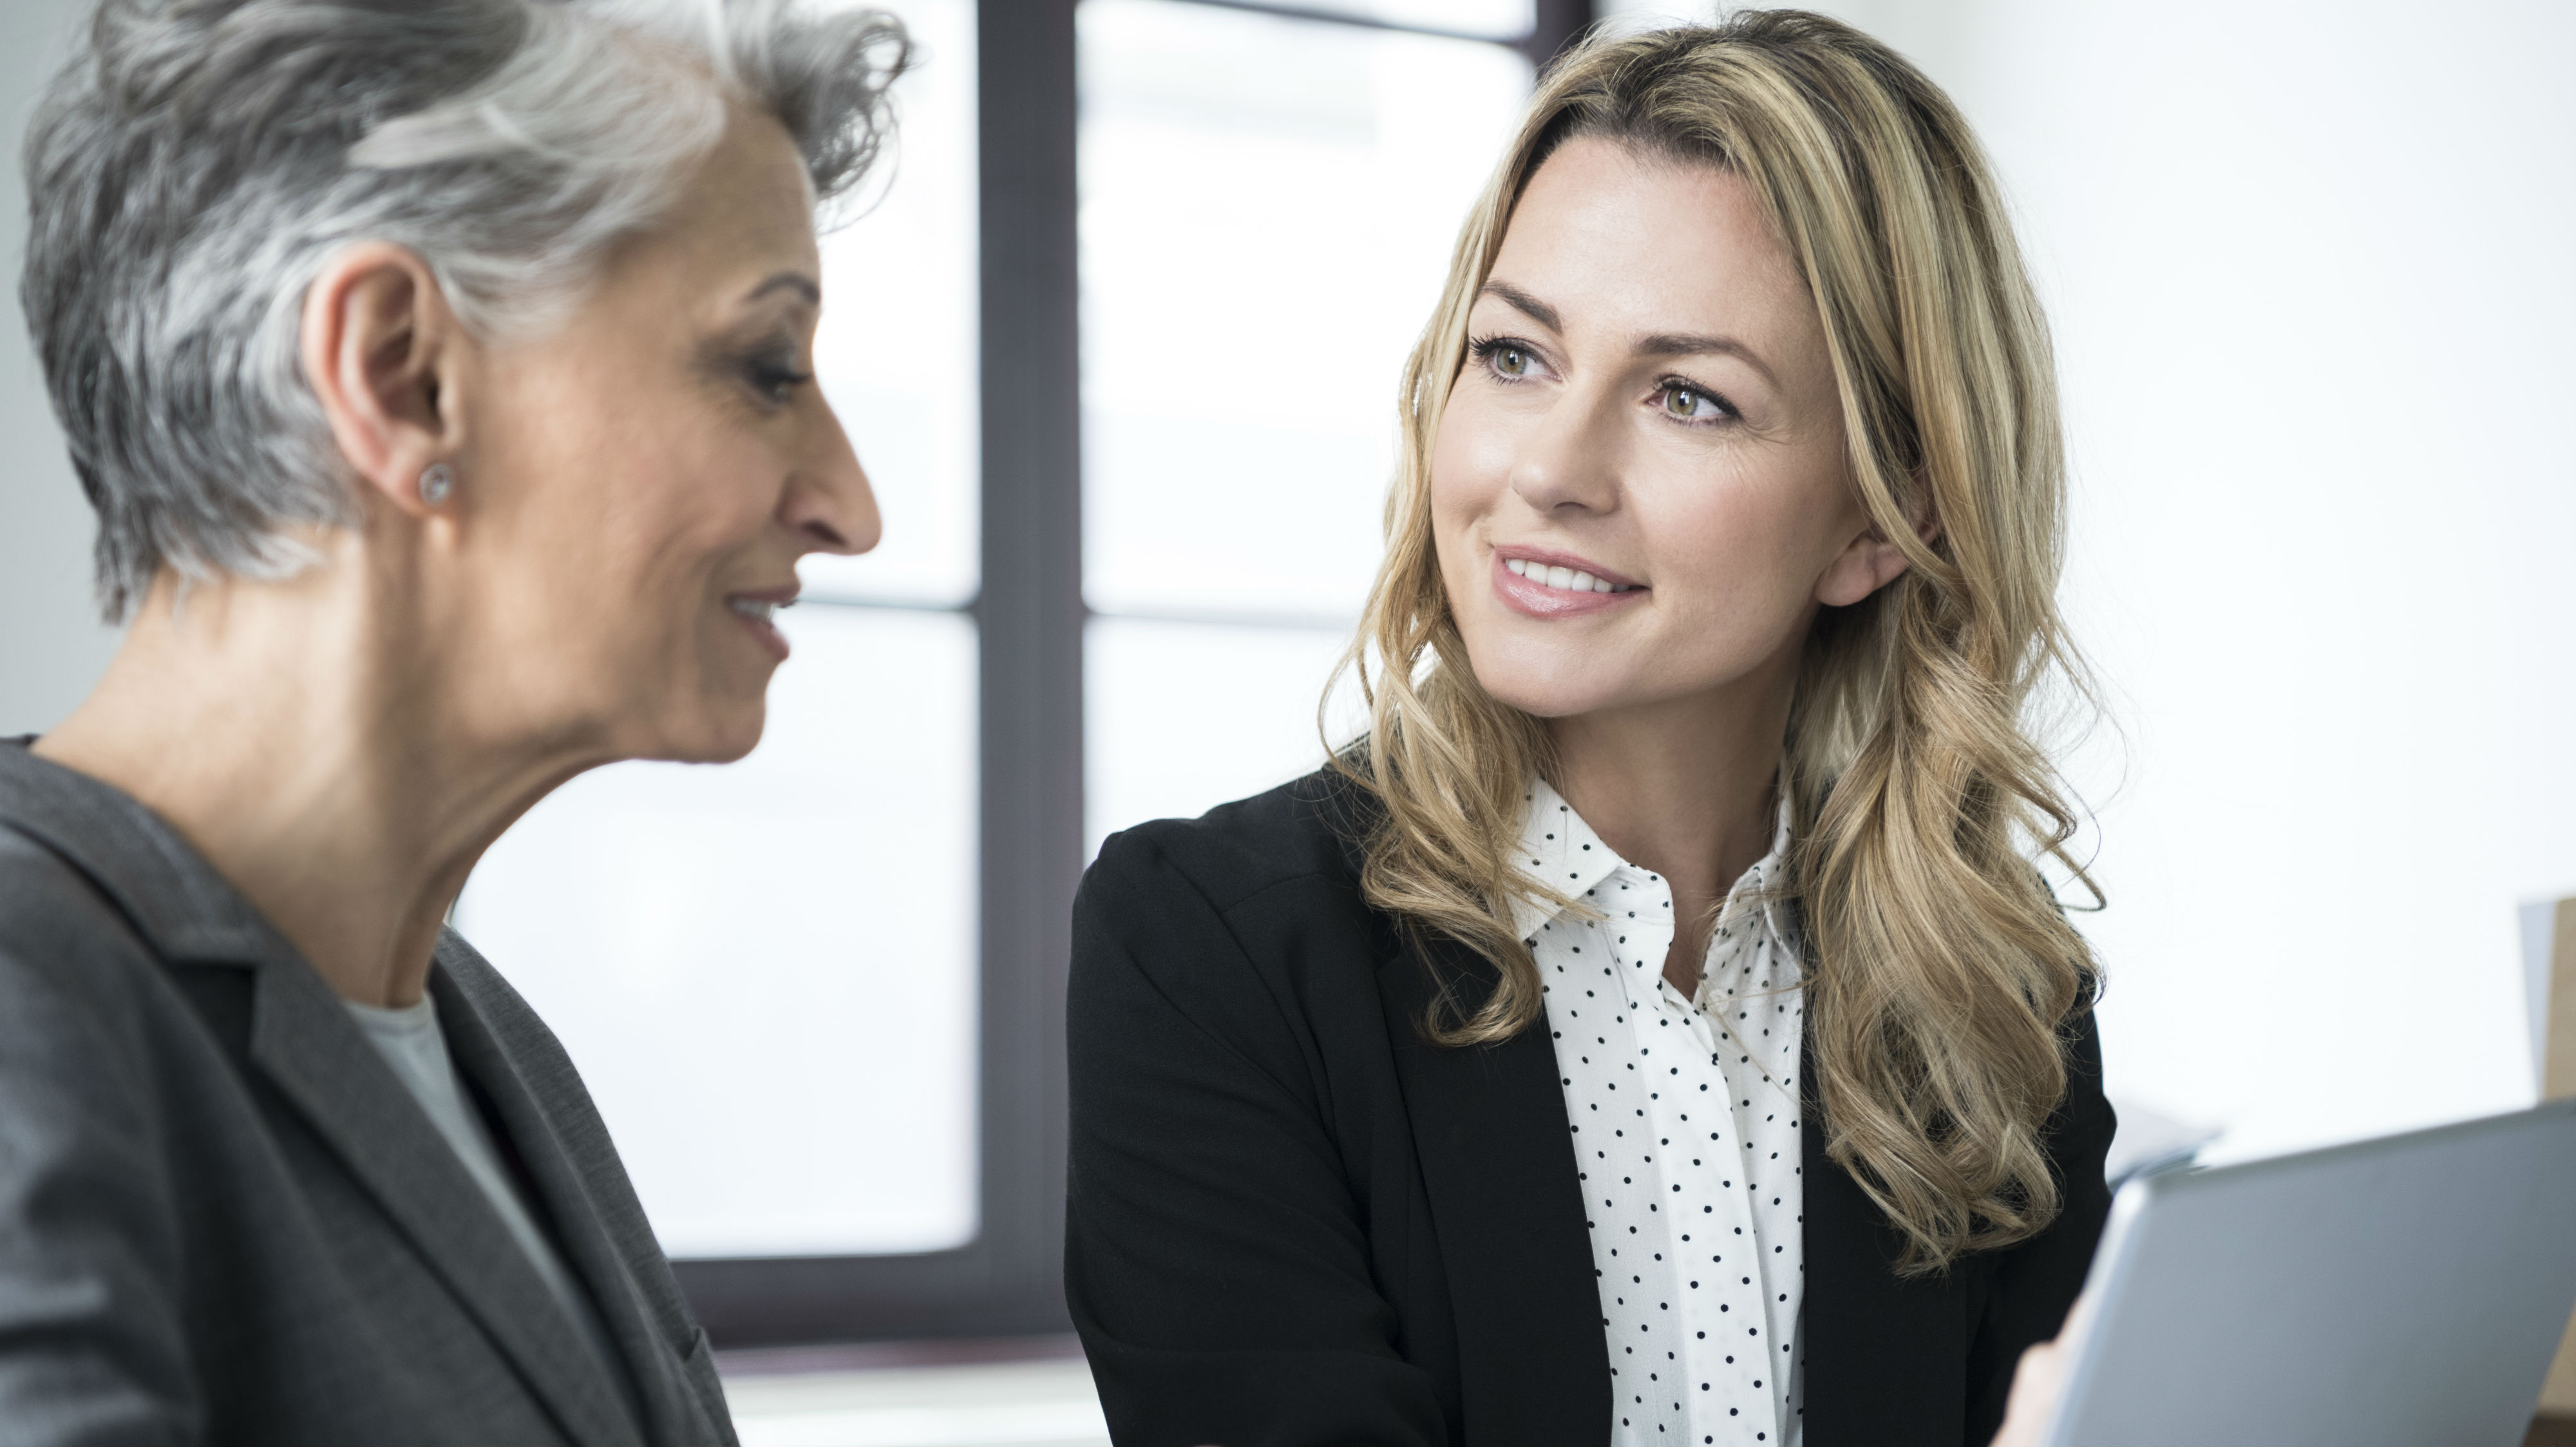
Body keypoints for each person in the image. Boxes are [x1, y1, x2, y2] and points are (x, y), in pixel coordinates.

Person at [1065, 13, 2111, 1447]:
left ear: (1885, 520)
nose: (1548, 469)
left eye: (1687, 396)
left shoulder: (1991, 997)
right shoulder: (1207, 953)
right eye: (1511, 355)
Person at [0, 0, 901, 1440]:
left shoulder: (483, 1038)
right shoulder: (27, 1014)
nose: (848, 505)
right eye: (764, 366)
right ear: (402, 373)